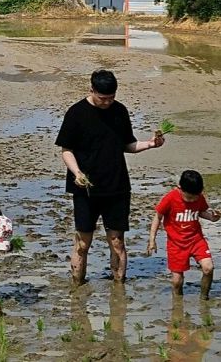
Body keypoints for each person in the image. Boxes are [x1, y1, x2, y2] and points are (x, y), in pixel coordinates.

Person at [55, 68, 165, 284]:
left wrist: (150, 144)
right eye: (102, 98)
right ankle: (77, 286)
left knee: (117, 242)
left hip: (116, 187)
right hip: (85, 188)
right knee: (83, 242)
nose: (107, 103)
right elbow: (66, 150)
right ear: (92, 90)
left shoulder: (119, 111)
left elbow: (128, 145)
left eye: (111, 98)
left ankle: (119, 290)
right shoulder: (77, 113)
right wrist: (77, 172)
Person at [147, 170, 221, 299]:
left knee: (208, 268)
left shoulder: (198, 197)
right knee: (177, 280)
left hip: (196, 240)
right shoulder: (170, 198)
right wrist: (152, 239)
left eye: (195, 197)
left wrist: (213, 218)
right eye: (189, 197)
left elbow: (201, 212)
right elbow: (158, 217)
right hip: (176, 244)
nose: (192, 200)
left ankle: (204, 298)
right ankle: (177, 304)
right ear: (179, 188)